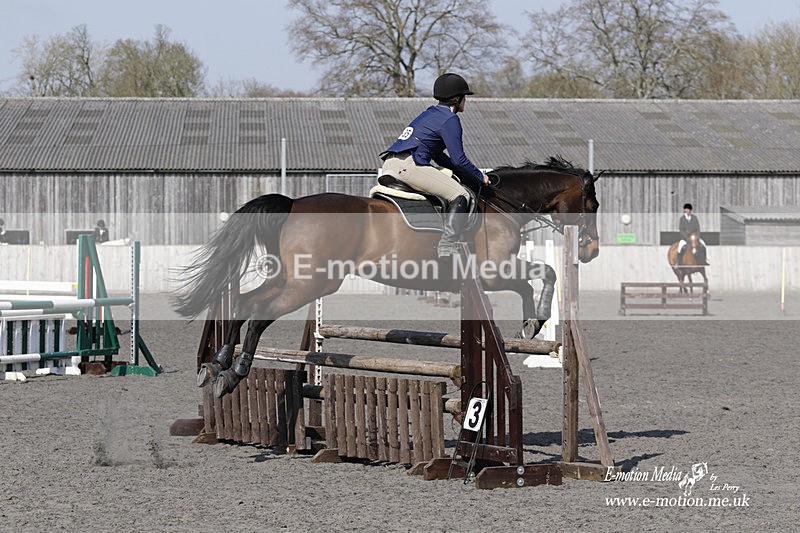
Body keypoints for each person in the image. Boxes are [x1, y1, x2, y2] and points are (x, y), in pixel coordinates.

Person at [379, 73, 490, 259]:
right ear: (457, 98)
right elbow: (459, 159)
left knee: (448, 179)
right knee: (460, 195)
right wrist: (479, 176)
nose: (466, 101)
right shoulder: (450, 119)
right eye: (464, 97)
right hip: (409, 166)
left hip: (391, 164)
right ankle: (447, 244)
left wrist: (462, 172)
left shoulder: (430, 113)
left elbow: (439, 157)